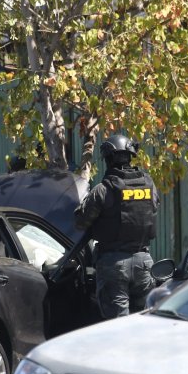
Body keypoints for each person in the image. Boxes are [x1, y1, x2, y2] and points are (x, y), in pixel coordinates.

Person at [74, 134, 159, 318]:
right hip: (143, 262)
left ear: (108, 159)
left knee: (118, 328)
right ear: (130, 156)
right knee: (145, 323)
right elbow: (153, 208)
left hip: (113, 265)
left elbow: (81, 222)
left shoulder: (103, 189)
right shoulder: (149, 184)